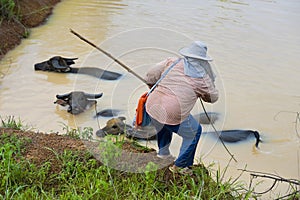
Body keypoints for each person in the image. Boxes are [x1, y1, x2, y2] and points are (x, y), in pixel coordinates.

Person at [144, 41, 218, 175]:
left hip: (152, 105)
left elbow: (149, 75)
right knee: (195, 132)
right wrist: (203, 94)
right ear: (202, 61)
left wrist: (154, 87)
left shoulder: (171, 62)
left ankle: (163, 154)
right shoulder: (202, 79)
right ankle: (181, 166)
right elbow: (213, 97)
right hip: (172, 112)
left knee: (163, 122)